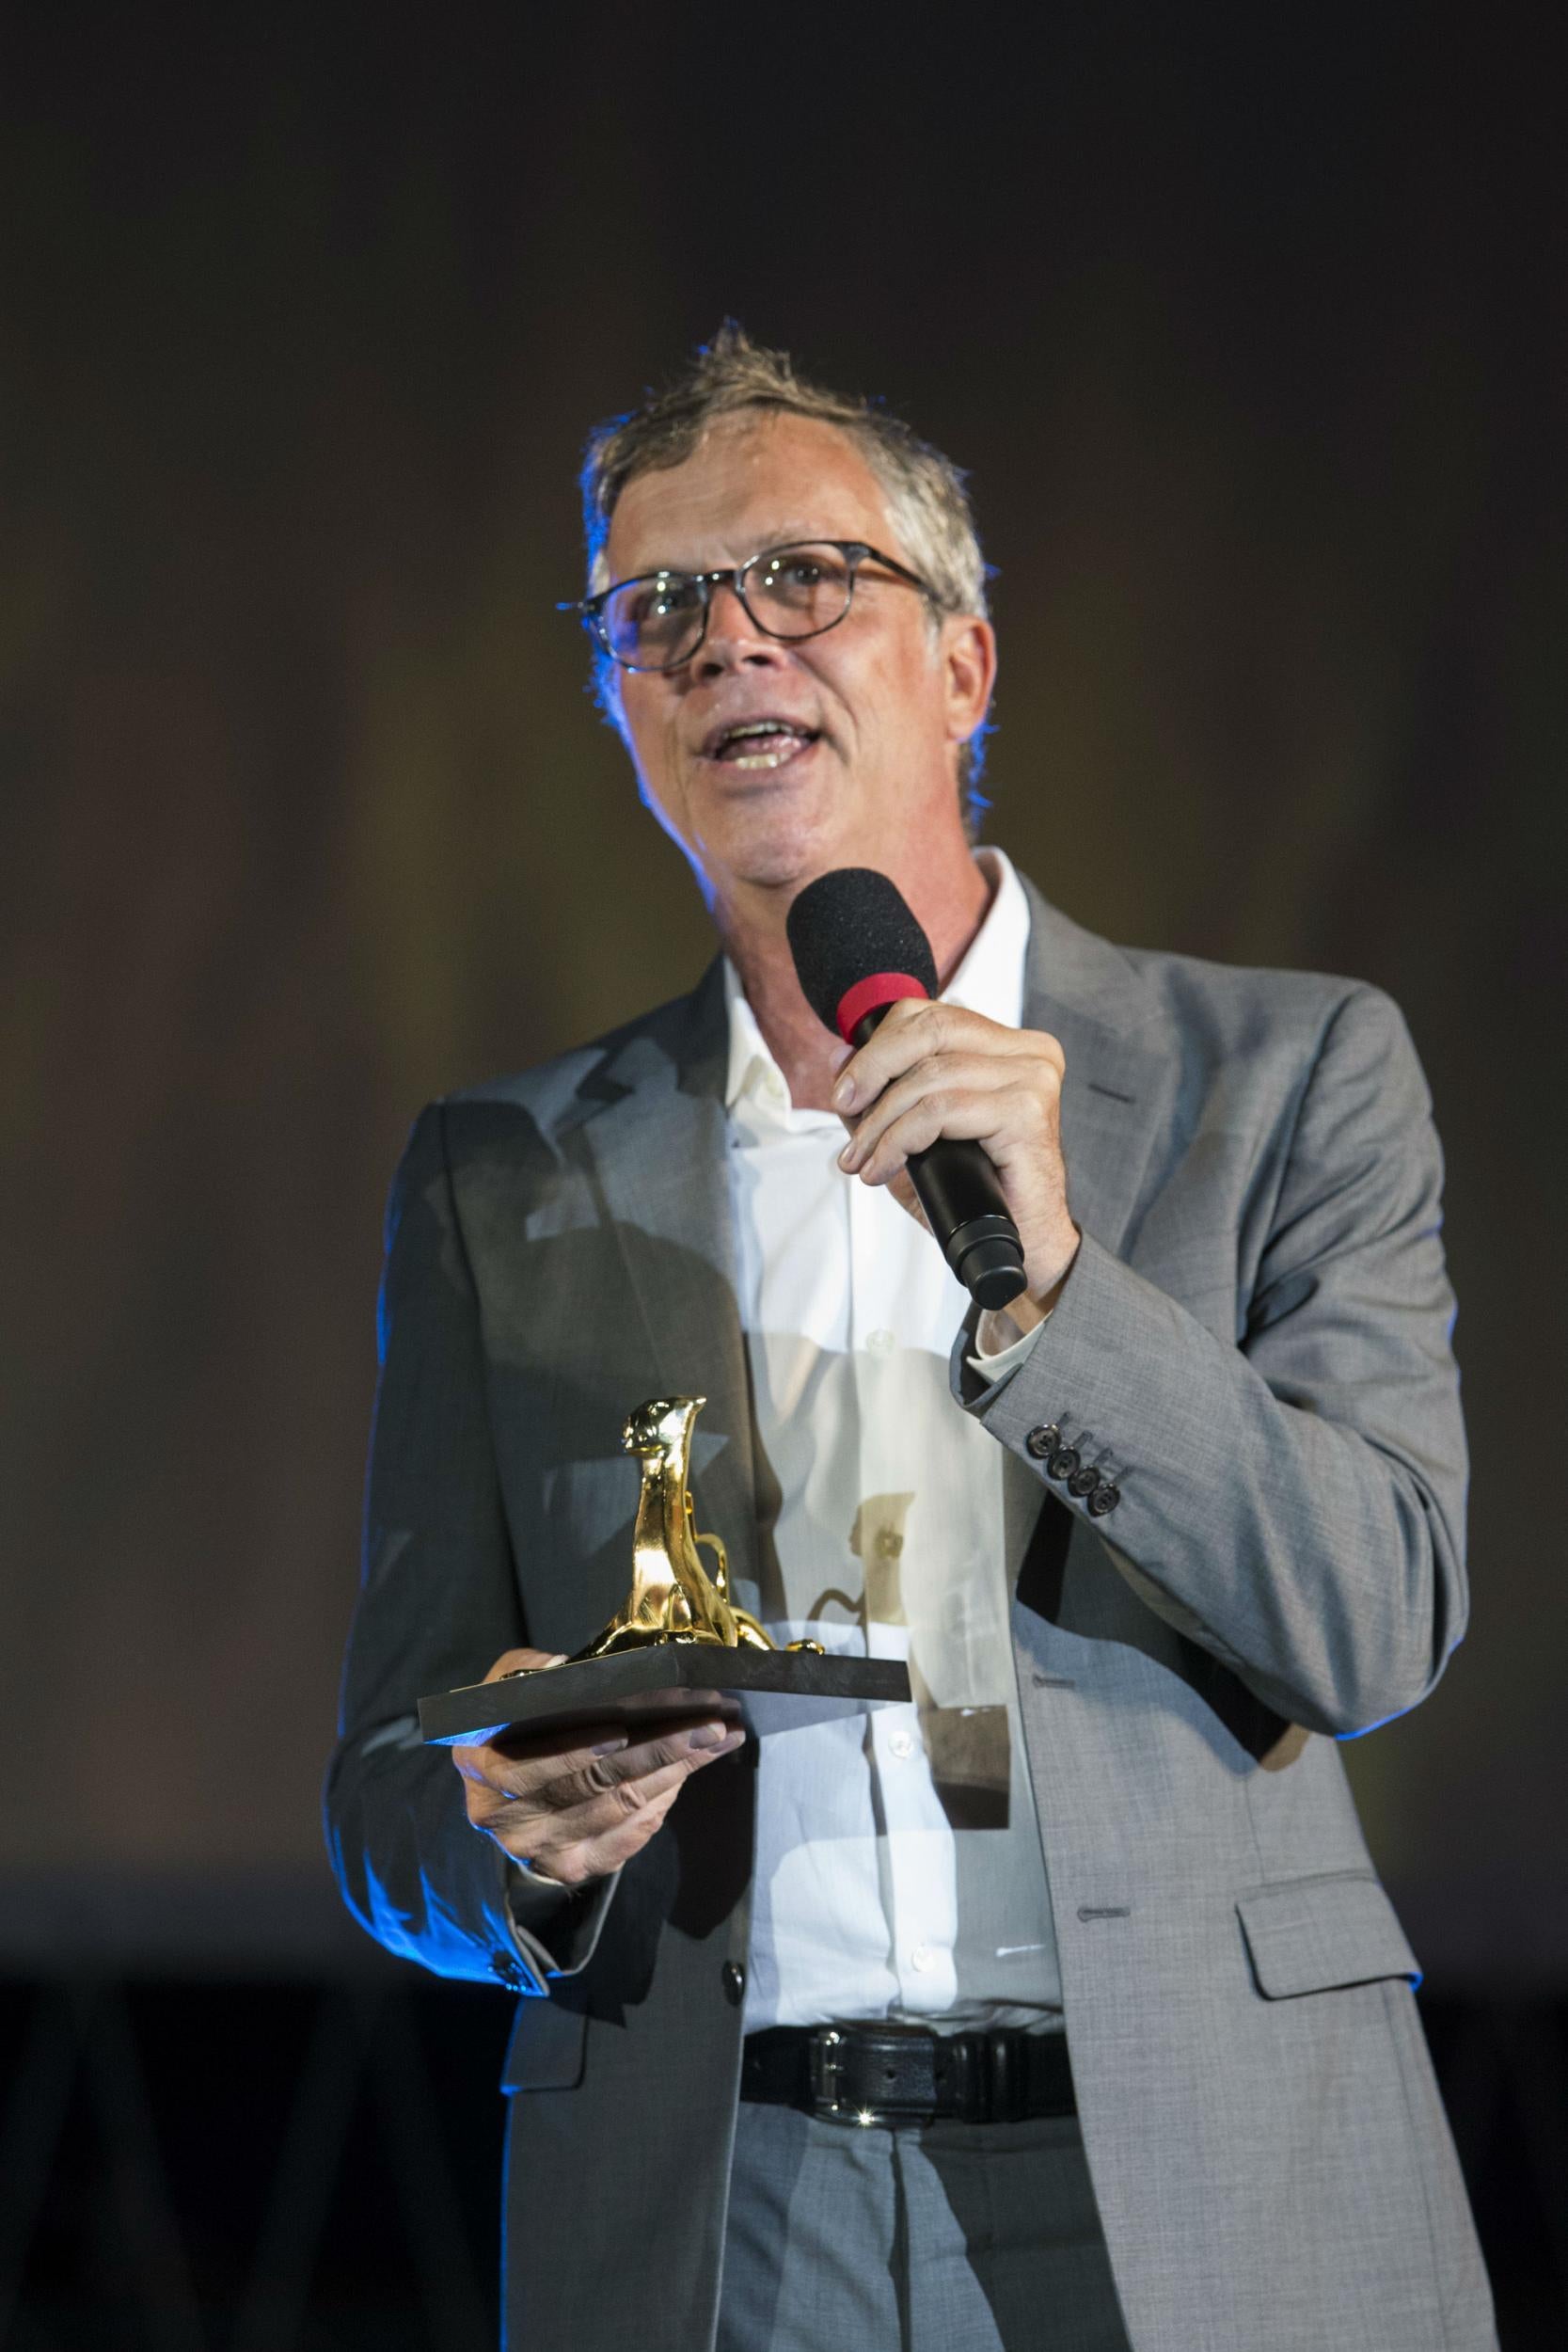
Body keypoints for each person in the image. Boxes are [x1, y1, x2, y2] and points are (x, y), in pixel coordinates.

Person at [325, 326, 1496, 2351]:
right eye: (655, 607)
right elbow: (386, 1793)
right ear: (616, 701)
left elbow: (1374, 1615)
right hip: (717, 2207)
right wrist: (499, 1839)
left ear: (964, 660)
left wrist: (1054, 1278)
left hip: (1196, 2179)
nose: (725, 642)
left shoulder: (1286, 1074)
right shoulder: (501, 1173)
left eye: (803, 578)